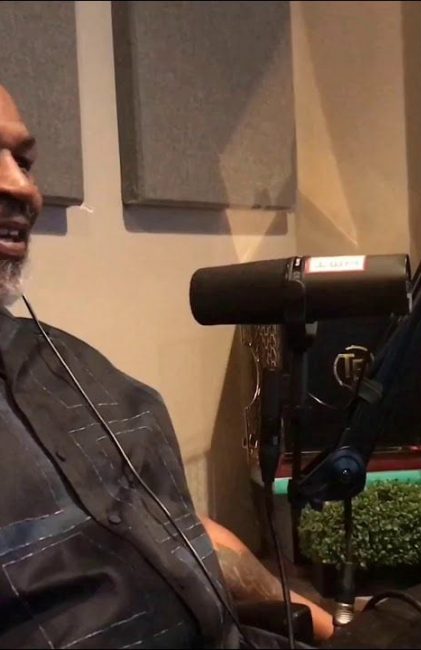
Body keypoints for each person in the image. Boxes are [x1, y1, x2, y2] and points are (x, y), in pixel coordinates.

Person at [0, 86, 333, 648]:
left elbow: (176, 524)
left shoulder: (75, 366)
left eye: (24, 161)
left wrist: (323, 622)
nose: (22, 187)